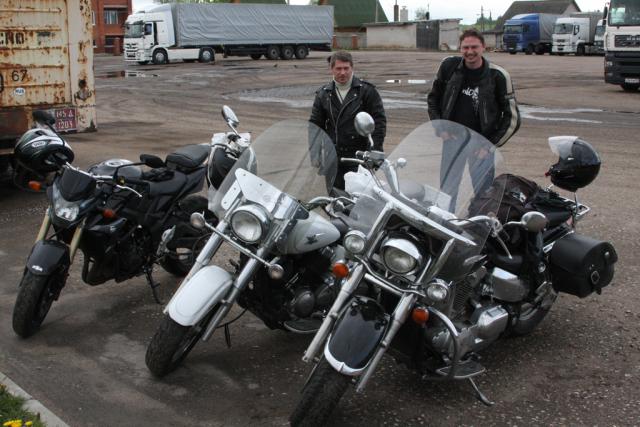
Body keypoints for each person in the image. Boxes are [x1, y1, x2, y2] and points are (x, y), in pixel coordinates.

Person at [427, 28, 520, 211]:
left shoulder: (498, 76)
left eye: (474, 47)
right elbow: (433, 99)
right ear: (460, 48)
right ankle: (445, 224)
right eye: (465, 47)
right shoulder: (449, 67)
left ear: (483, 47)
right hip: (452, 140)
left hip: (481, 146)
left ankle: (479, 225)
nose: (470, 52)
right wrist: (441, 129)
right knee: (447, 191)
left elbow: (513, 119)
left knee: (484, 194)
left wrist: (489, 145)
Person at [309, 51, 386, 190]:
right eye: (338, 68)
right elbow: (315, 125)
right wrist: (315, 153)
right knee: (336, 198)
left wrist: (375, 151)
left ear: (352, 68)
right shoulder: (323, 94)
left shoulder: (366, 91)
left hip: (360, 157)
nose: (342, 73)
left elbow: (379, 123)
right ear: (331, 69)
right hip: (333, 157)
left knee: (359, 198)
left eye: (346, 68)